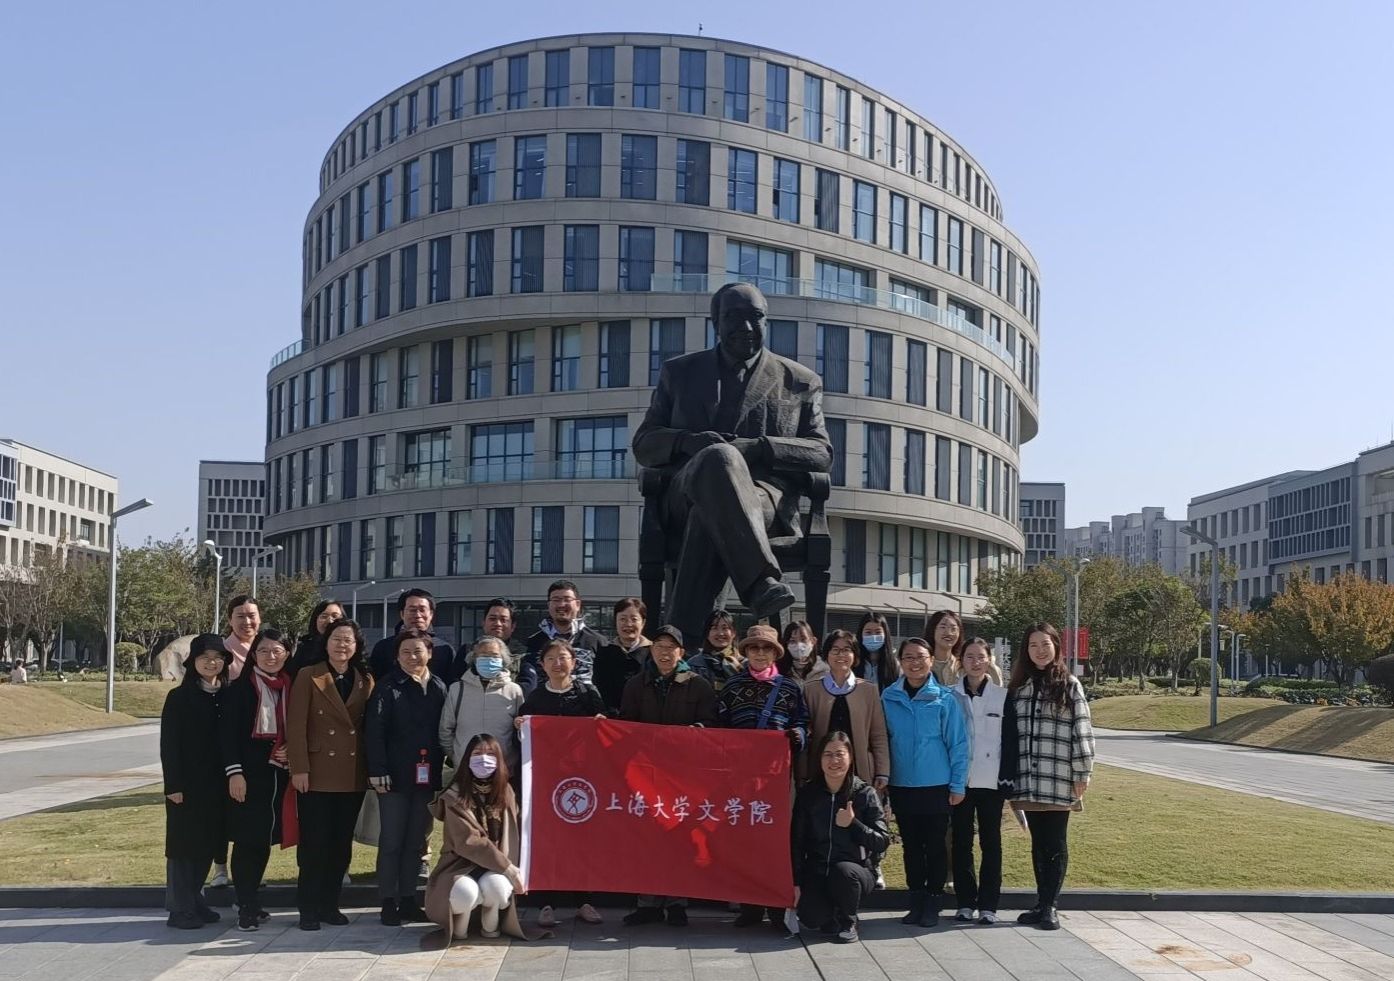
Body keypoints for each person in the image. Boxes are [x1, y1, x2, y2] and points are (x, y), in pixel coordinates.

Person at [633, 281, 833, 643]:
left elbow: (821, 453)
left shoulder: (800, 381)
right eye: (734, 317)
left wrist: (758, 448)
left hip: (763, 499)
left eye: (755, 317)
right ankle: (761, 581)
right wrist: (688, 442)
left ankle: (679, 646)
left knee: (708, 514)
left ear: (766, 321)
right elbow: (644, 443)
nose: (746, 327)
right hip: (685, 492)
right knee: (718, 458)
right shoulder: (679, 373)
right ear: (716, 322)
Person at [618, 625, 716, 927]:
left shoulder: (699, 685)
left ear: (681, 652)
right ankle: (646, 904)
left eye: (671, 647)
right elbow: (626, 726)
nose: (664, 652)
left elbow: (712, 725)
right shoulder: (636, 685)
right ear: (651, 650)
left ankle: (676, 903)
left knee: (680, 839)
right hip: (644, 774)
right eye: (659, 645)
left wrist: (694, 733)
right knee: (646, 839)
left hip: (683, 776)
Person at [717, 623, 809, 929]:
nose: (759, 653)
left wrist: (797, 735)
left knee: (777, 843)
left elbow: (803, 722)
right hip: (740, 780)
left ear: (775, 653)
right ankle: (750, 906)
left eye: (766, 648)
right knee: (745, 842)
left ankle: (777, 906)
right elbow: (719, 729)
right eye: (754, 648)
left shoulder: (790, 688)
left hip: (776, 779)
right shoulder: (732, 687)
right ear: (745, 651)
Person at [287, 618, 374, 931]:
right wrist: (299, 768)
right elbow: (296, 725)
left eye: (348, 640)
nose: (342, 645)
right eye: (336, 639)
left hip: (351, 774)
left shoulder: (365, 679)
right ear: (326, 643)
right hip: (317, 773)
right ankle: (308, 908)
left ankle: (330, 904)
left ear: (356, 646)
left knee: (340, 845)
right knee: (315, 844)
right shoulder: (309, 675)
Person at [1009, 622, 1095, 931]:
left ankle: (1050, 906)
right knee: (1038, 842)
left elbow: (1082, 730)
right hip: (1028, 779)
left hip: (1058, 776)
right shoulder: (1019, 688)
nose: (1040, 650)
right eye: (1033, 645)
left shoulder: (1069, 685)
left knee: (1055, 841)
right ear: (1026, 650)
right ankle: (1040, 902)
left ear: (1056, 647)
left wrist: (1082, 771)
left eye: (1045, 644)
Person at [516, 638, 607, 926]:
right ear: (542, 665)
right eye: (551, 658)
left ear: (574, 662)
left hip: (583, 781)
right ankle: (545, 903)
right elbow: (525, 737)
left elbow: (604, 732)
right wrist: (522, 726)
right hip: (547, 782)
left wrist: (602, 722)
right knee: (548, 840)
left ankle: (585, 901)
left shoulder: (587, 694)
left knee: (583, 841)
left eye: (563, 657)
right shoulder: (535, 698)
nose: (558, 663)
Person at [882, 637, 969, 928]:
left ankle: (933, 900)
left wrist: (957, 785)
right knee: (910, 847)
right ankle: (916, 899)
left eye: (920, 657)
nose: (915, 663)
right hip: (902, 785)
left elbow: (958, 744)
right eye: (908, 657)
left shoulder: (945, 698)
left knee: (935, 846)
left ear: (931, 660)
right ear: (900, 662)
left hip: (936, 785)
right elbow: (882, 740)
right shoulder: (888, 697)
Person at [366, 628, 448, 926]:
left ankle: (410, 898)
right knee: (392, 840)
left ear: (429, 653)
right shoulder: (387, 687)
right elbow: (374, 731)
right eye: (406, 652)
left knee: (416, 841)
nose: (412, 657)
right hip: (393, 778)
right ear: (397, 656)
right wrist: (378, 770)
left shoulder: (438, 687)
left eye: (418, 651)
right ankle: (388, 901)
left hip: (426, 778)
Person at [221, 627, 295, 931]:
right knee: (247, 840)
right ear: (254, 655)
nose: (270, 656)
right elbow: (227, 736)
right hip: (248, 775)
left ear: (287, 654)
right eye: (263, 651)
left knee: (264, 839)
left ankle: (251, 899)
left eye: (277, 650)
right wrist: (234, 772)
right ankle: (245, 905)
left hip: (279, 775)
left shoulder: (291, 686)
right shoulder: (240, 689)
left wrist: (292, 748)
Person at [424, 734, 529, 942]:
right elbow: (469, 841)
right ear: (467, 759)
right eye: (477, 753)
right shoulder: (454, 795)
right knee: (466, 893)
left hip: (495, 867)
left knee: (498, 888)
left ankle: (490, 925)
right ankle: (460, 927)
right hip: (458, 866)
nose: (484, 759)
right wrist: (509, 869)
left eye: (490, 754)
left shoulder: (506, 792)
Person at [790, 732, 891, 944]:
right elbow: (797, 842)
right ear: (820, 759)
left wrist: (853, 824)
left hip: (856, 872)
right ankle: (832, 914)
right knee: (811, 917)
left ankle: (849, 921)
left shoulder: (865, 793)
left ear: (850, 757)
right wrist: (796, 882)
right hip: (818, 870)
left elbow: (882, 841)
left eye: (839, 754)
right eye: (827, 754)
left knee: (843, 871)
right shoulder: (809, 794)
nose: (834, 760)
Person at [160, 634, 231, 929]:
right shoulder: (179, 698)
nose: (211, 663)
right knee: (183, 847)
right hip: (186, 786)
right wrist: (173, 786)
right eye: (204, 658)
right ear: (193, 662)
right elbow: (169, 745)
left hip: (218, 786)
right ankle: (179, 909)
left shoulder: (227, 695)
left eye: (217, 658)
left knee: (208, 844)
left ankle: (194, 900)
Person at [948, 637, 1018, 927]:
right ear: (961, 661)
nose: (975, 662)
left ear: (989, 660)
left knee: (991, 843)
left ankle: (988, 905)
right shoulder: (950, 695)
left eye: (980, 657)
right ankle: (965, 902)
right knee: (961, 842)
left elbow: (1011, 741)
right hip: (960, 781)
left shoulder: (1002, 696)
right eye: (969, 657)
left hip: (991, 781)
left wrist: (1007, 777)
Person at [212, 594, 260, 888]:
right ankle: (220, 868)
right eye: (240, 616)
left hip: (256, 745)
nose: (247, 621)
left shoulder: (266, 649)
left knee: (250, 811)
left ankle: (249, 872)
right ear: (229, 619)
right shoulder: (222, 652)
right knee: (222, 807)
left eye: (252, 615)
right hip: (223, 738)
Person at [801, 630, 889, 791]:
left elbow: (878, 734)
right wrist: (802, 773)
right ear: (827, 654)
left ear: (855, 655)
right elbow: (806, 735)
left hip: (859, 769)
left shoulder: (868, 690)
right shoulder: (811, 689)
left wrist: (882, 772)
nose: (840, 654)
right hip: (821, 770)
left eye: (846, 650)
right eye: (835, 650)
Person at [439, 636, 524, 781]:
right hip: (465, 770)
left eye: (494, 656)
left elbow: (521, 730)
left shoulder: (514, 691)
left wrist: (511, 761)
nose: (489, 660)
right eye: (484, 655)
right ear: (474, 659)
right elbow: (445, 730)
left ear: (503, 659)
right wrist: (458, 756)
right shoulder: (457, 689)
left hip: (503, 770)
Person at [520, 580, 607, 694]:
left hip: (587, 704)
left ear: (578, 605)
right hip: (544, 704)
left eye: (567, 599)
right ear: (549, 605)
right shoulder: (533, 642)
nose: (561, 604)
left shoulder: (597, 641)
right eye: (556, 600)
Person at [368, 589, 459, 684]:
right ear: (402, 614)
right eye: (412, 610)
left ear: (431, 614)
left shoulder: (445, 650)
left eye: (422, 610)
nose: (417, 615)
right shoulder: (383, 647)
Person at [593, 597, 651, 715]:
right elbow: (599, 686)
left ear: (643, 622)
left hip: (646, 718)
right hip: (611, 718)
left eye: (634, 619)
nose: (628, 624)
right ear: (615, 621)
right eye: (623, 619)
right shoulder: (604, 652)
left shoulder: (652, 653)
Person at [686, 610, 743, 691]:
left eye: (725, 628)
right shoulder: (694, 665)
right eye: (714, 628)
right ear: (707, 634)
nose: (720, 633)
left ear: (733, 633)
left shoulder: (745, 663)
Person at [289, 600, 345, 675]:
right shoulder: (304, 648)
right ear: (315, 620)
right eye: (324, 616)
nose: (330, 621)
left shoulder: (349, 646)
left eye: (335, 616)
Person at [856, 611, 899, 691]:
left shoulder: (895, 665)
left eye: (878, 632)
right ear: (861, 634)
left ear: (885, 634)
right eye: (868, 632)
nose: (873, 636)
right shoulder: (853, 662)